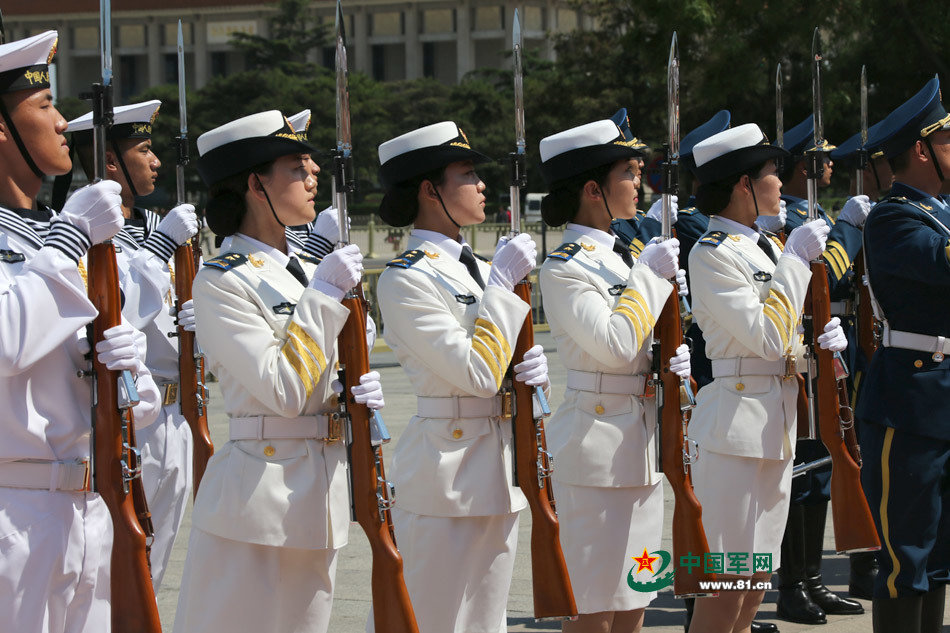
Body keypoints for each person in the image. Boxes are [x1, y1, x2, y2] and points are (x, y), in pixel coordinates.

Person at [172, 110, 383, 633]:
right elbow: (283, 389)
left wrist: (348, 388)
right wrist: (325, 295)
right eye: (296, 166)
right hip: (257, 504)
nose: (314, 175)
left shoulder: (307, 271)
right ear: (255, 184)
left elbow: (345, 356)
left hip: (320, 494)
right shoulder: (222, 281)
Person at [0, 30, 160, 633]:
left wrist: (131, 371)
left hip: (90, 506)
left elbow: (135, 407)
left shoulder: (59, 238)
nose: (63, 122)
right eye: (44, 105)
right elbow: (7, 342)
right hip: (14, 514)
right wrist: (69, 241)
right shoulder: (65, 241)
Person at [372, 121, 546, 633]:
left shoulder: (480, 269)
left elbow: (500, 369)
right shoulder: (406, 277)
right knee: (433, 621)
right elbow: (476, 373)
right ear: (430, 191)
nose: (482, 185)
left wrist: (531, 377)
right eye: (468, 175)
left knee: (486, 623)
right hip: (443, 476)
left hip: (498, 469)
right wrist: (501, 287)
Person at [685, 123, 845, 633]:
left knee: (755, 582)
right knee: (726, 583)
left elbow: (787, 335)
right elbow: (767, 337)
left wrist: (822, 340)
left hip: (775, 425)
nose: (781, 182)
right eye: (773, 172)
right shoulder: (712, 253)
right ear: (743, 184)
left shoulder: (765, 247)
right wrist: (796, 260)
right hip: (733, 431)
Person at [536, 119, 689, 633]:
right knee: (593, 608)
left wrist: (674, 360)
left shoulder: (623, 258)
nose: (639, 180)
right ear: (592, 189)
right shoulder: (565, 267)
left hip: (641, 446)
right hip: (595, 451)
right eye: (628, 171)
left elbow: (642, 344)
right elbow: (615, 344)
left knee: (634, 603)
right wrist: (649, 276)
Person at [64, 99, 200, 590]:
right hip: (128, 414)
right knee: (110, 572)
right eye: (144, 150)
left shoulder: (157, 228)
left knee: (153, 573)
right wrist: (160, 251)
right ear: (109, 161)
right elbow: (112, 316)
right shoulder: (83, 235)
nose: (156, 160)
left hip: (175, 415)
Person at [858, 76, 950, 633]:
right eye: (947, 139)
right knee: (904, 557)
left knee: (938, 557)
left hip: (941, 396)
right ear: (921, 150)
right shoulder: (893, 216)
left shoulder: (940, 211)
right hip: (909, 401)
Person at [773, 116, 868, 624]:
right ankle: (792, 585)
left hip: (828, 348)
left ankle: (812, 580)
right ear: (801, 168)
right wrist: (848, 230)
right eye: (821, 159)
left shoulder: (812, 215)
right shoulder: (784, 221)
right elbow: (823, 274)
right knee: (802, 470)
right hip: (799, 352)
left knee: (821, 469)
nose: (830, 165)